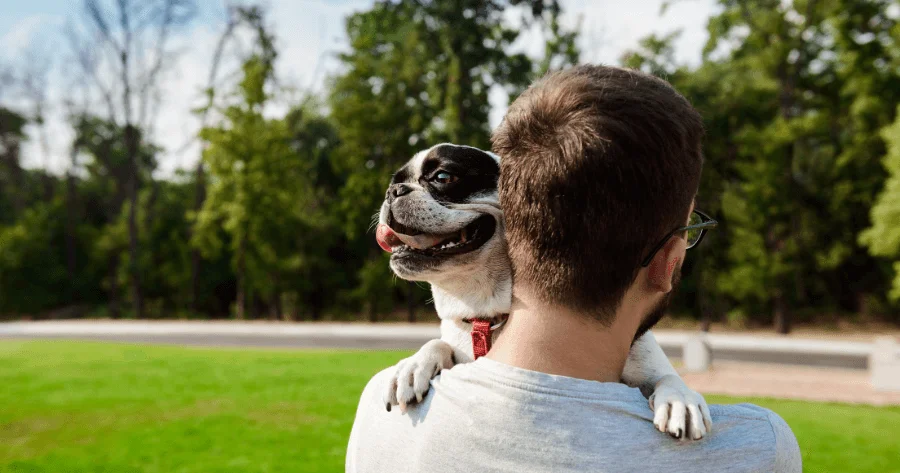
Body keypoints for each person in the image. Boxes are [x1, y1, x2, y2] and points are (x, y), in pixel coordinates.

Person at [346, 65, 801, 473]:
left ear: (518, 222)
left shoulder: (379, 410)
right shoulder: (758, 448)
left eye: (441, 180)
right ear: (670, 262)